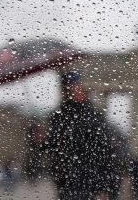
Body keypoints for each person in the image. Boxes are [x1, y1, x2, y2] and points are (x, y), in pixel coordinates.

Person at [42, 72, 122, 200]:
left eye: (72, 85)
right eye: (64, 86)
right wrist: (42, 141)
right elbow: (54, 149)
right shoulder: (57, 116)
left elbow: (105, 153)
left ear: (80, 87)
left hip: (88, 183)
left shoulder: (92, 115)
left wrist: (104, 188)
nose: (68, 90)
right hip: (64, 183)